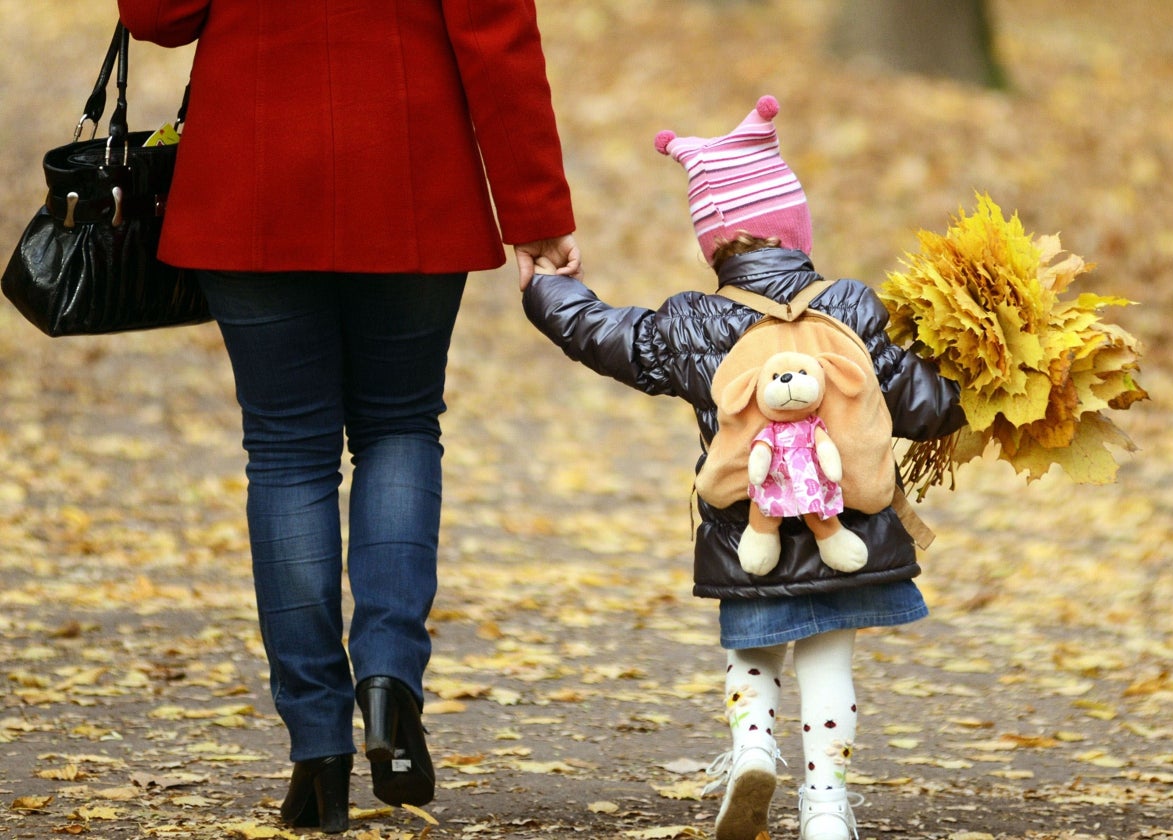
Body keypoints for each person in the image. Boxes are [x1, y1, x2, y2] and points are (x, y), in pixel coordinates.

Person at [117, 1, 580, 834]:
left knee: (287, 454)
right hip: (411, 169)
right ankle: (389, 681)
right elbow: (496, 32)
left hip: (249, 176)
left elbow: (155, 14)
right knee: (400, 426)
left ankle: (317, 752)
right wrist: (535, 208)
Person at [523, 96, 963, 840]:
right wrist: (974, 380)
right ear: (797, 229)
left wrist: (549, 291)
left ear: (712, 245)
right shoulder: (854, 305)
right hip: (847, 528)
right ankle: (826, 805)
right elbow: (925, 408)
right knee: (828, 661)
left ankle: (753, 746)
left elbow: (608, 337)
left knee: (752, 652)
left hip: (744, 531)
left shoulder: (695, 322)